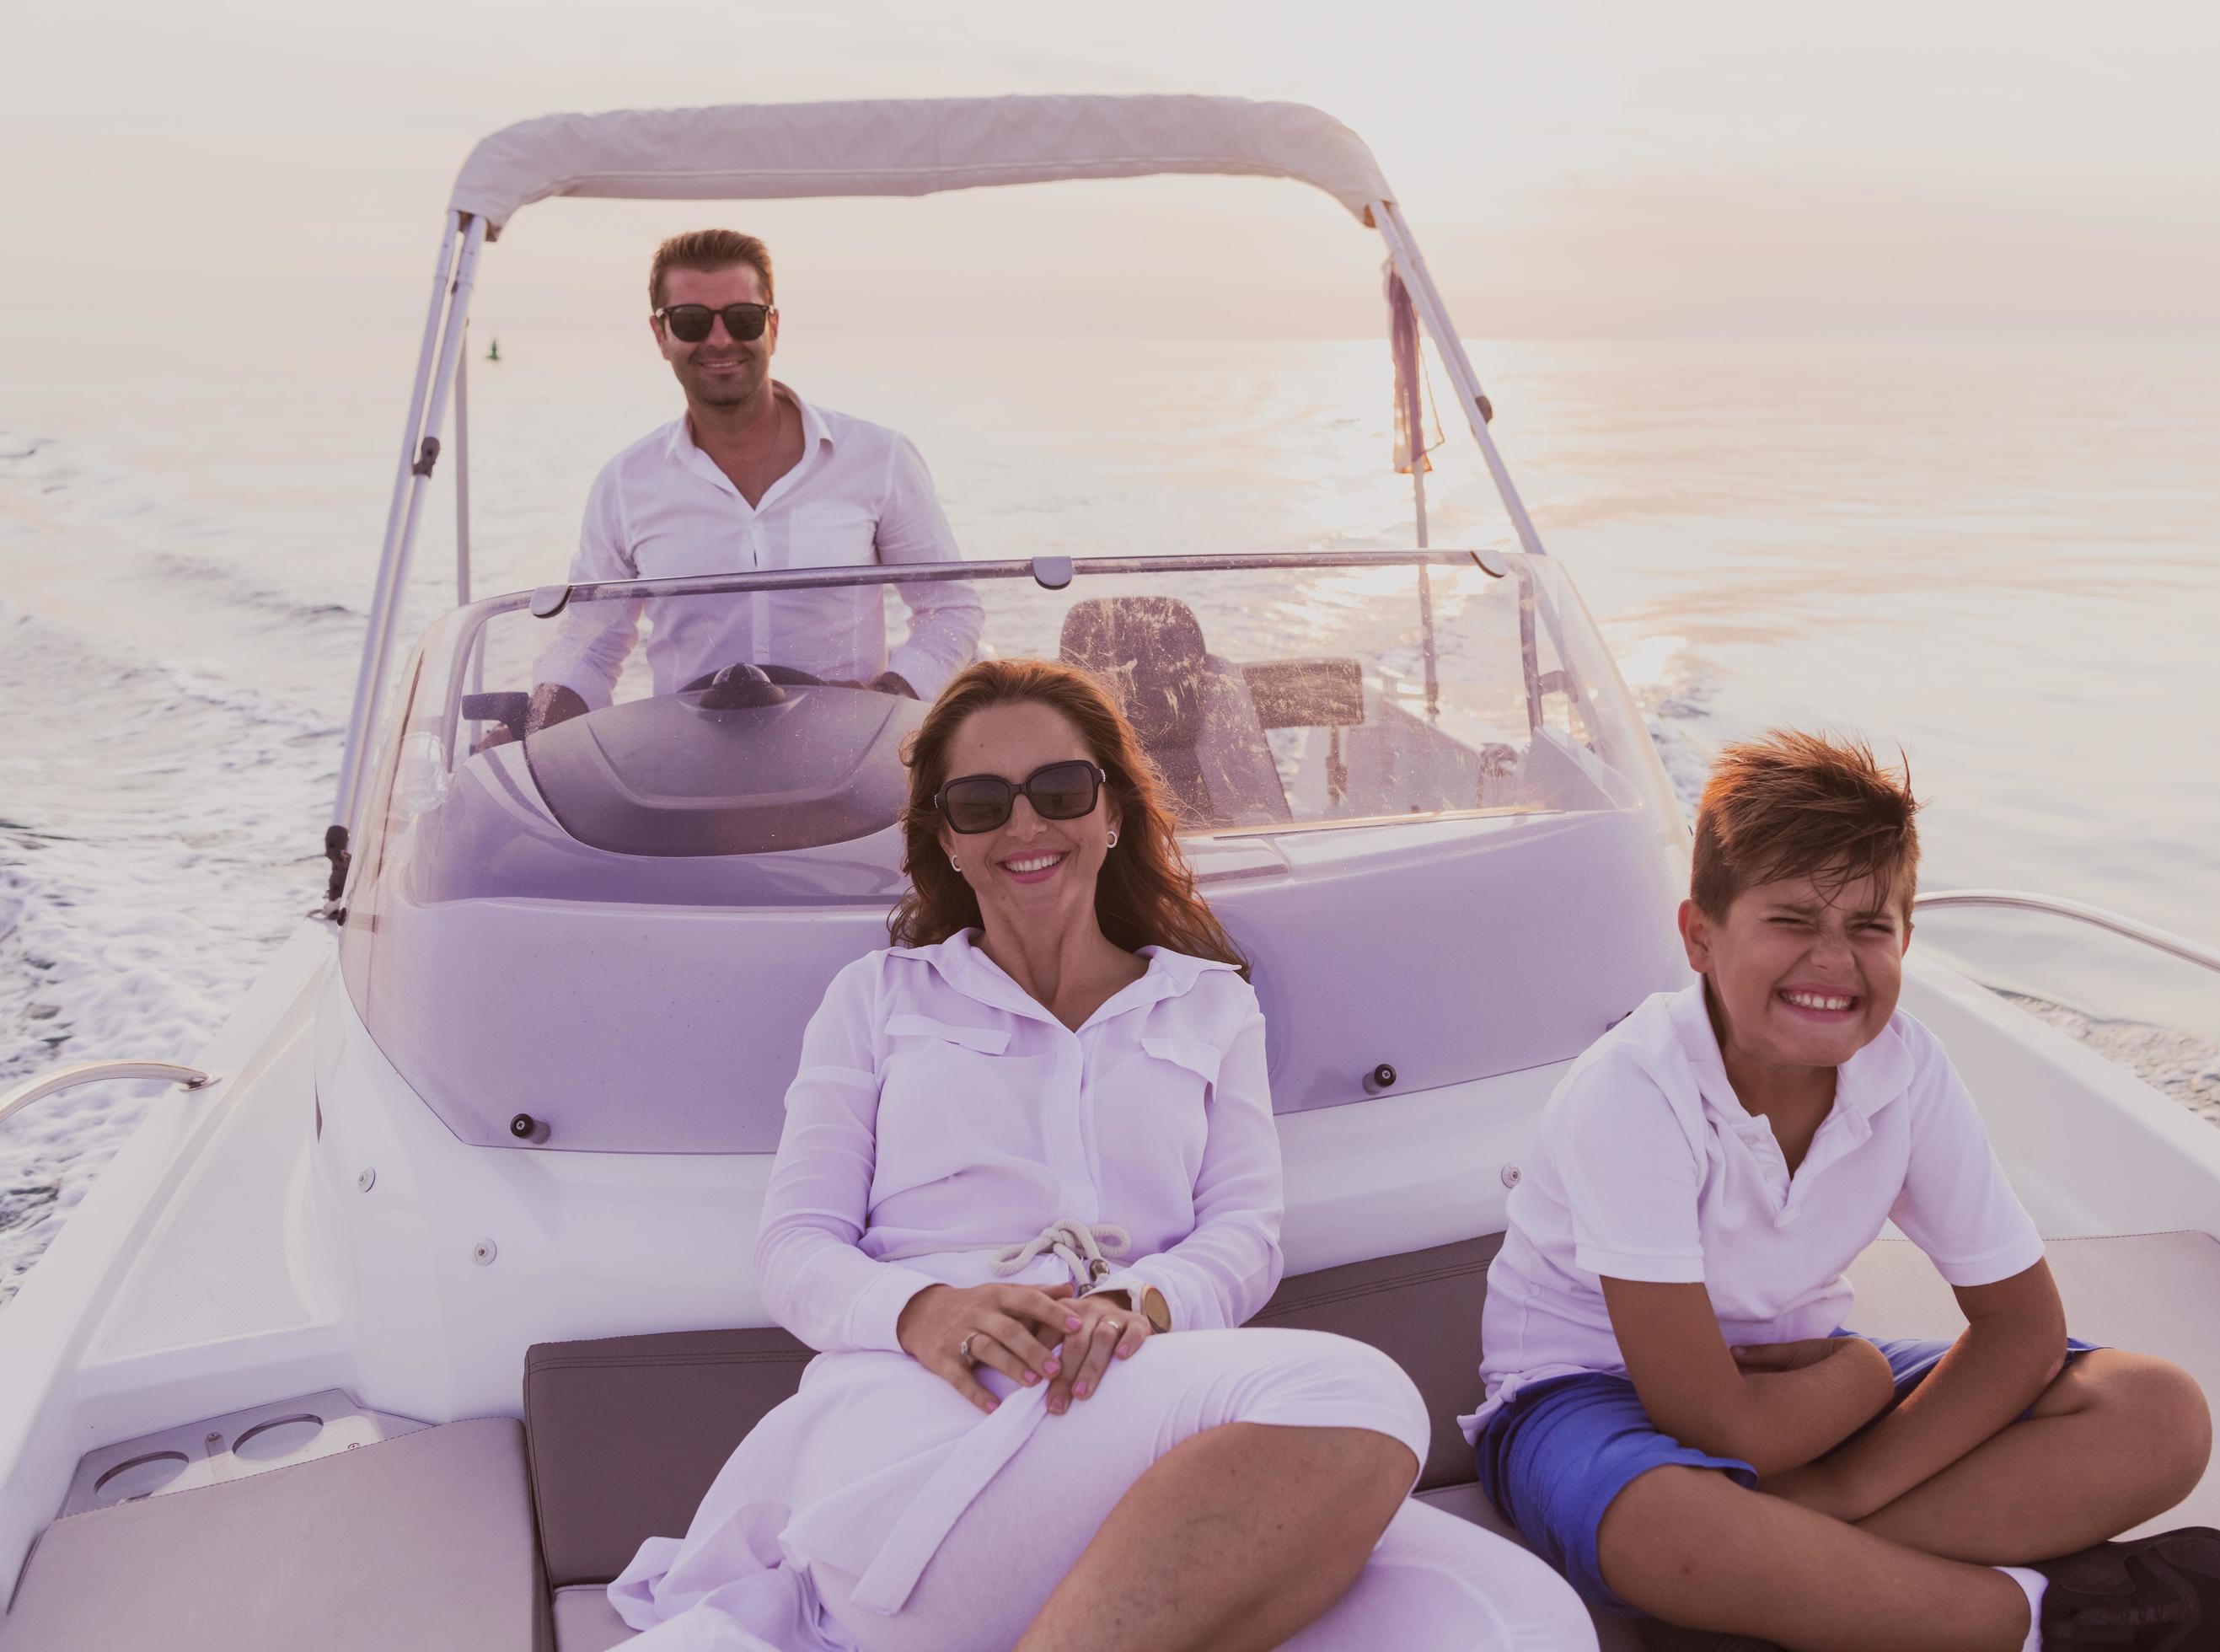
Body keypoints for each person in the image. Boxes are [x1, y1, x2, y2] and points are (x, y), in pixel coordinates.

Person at [609, 658, 1593, 1652]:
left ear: (1112, 809)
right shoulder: (878, 1000)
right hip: (918, 1415)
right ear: (946, 839)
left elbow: (1243, 1237)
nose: (1025, 825)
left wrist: (1138, 1304)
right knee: (1358, 1393)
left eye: (1061, 790)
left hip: (1138, 1391)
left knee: (1529, 1624)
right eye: (982, 803)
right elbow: (795, 1246)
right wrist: (923, 1311)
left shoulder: (1210, 1003)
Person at [1463, 731, 2220, 1652]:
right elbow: (1711, 1421)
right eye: (1791, 920)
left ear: (1905, 938)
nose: (1834, 960)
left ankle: (1796, 1595)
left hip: (1800, 1379)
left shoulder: (1906, 1068)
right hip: (1589, 1392)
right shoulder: (1632, 1090)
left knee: (2153, 1410)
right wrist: (1860, 1378)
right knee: (1669, 1531)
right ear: (1700, 936)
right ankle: (2048, 1620)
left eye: (1869, 927)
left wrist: (1841, 1486)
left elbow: (2021, 1328)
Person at [508, 228, 982, 740]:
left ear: (772, 326)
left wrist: (887, 698)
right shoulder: (624, 483)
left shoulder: (878, 458)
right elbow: (591, 643)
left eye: (742, 318)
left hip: (851, 757)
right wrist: (529, 731)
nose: (719, 340)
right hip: (685, 763)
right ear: (660, 334)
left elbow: (950, 608)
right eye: (691, 321)